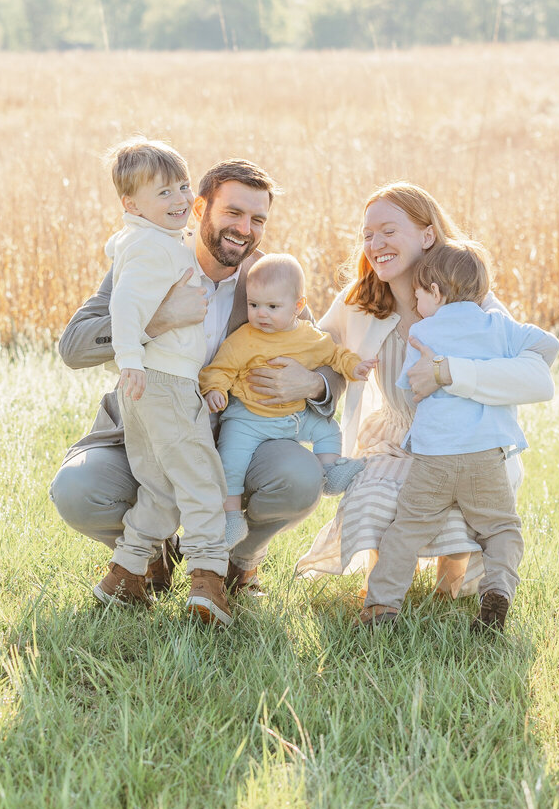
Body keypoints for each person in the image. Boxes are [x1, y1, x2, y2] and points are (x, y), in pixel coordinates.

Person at [51, 158, 343, 598]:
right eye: (233, 212)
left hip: (236, 438)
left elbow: (322, 355)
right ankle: (151, 557)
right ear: (200, 206)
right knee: (77, 490)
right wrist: (154, 320)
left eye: (257, 219)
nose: (245, 228)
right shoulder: (152, 254)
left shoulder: (267, 276)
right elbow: (74, 345)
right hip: (148, 431)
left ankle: (236, 562)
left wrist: (314, 385)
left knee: (300, 477)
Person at [295, 182, 557, 601]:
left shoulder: (472, 304)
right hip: (395, 439)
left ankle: (446, 591)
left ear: (427, 235)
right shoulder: (359, 301)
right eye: (367, 235)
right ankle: (379, 597)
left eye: (388, 230)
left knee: (458, 512)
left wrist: (448, 372)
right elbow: (320, 348)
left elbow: (536, 374)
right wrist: (303, 363)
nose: (374, 243)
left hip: (465, 440)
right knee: (374, 497)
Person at [359, 239, 559, 630]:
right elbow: (547, 345)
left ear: (436, 291)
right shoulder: (498, 325)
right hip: (486, 457)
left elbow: (410, 389)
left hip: (434, 458)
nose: (416, 303)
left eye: (418, 294)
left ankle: (381, 607)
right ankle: (497, 590)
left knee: (405, 530)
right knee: (501, 528)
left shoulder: (424, 331)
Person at [88, 137, 232, 625]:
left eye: (182, 188)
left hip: (149, 387)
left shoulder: (142, 240)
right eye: (162, 193)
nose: (178, 200)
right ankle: (210, 582)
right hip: (165, 382)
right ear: (131, 205)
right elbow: (125, 305)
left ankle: (124, 575)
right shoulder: (154, 248)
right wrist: (128, 355)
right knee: (201, 481)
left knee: (159, 489)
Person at [198, 253, 375, 548]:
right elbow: (221, 368)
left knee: (327, 428)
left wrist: (353, 365)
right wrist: (215, 389)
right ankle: (231, 517)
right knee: (231, 460)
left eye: (272, 307)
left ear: (298, 307)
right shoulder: (244, 339)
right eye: (253, 305)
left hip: (293, 416)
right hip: (248, 419)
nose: (261, 314)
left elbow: (334, 355)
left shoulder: (310, 337)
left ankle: (330, 468)